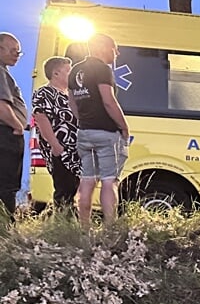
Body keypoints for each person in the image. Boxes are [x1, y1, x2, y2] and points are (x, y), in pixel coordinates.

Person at [68, 33, 130, 227]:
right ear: (102, 48)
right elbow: (109, 101)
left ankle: (84, 228)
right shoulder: (102, 69)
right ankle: (110, 227)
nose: (117, 53)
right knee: (109, 181)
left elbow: (72, 103)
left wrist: (85, 120)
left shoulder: (74, 71)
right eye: (114, 48)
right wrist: (123, 126)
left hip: (84, 133)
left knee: (87, 181)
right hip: (106, 134)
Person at [31, 57, 81, 213]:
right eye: (68, 70)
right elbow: (41, 118)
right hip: (59, 149)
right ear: (56, 73)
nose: (72, 74)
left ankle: (70, 222)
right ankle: (62, 224)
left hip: (74, 150)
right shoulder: (44, 93)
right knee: (63, 190)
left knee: (72, 189)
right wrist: (55, 145)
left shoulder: (69, 95)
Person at [0, 32, 27, 219]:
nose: (16, 54)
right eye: (13, 50)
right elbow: (2, 106)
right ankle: (6, 230)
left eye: (19, 52)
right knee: (7, 186)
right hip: (6, 135)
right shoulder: (0, 72)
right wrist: (17, 126)